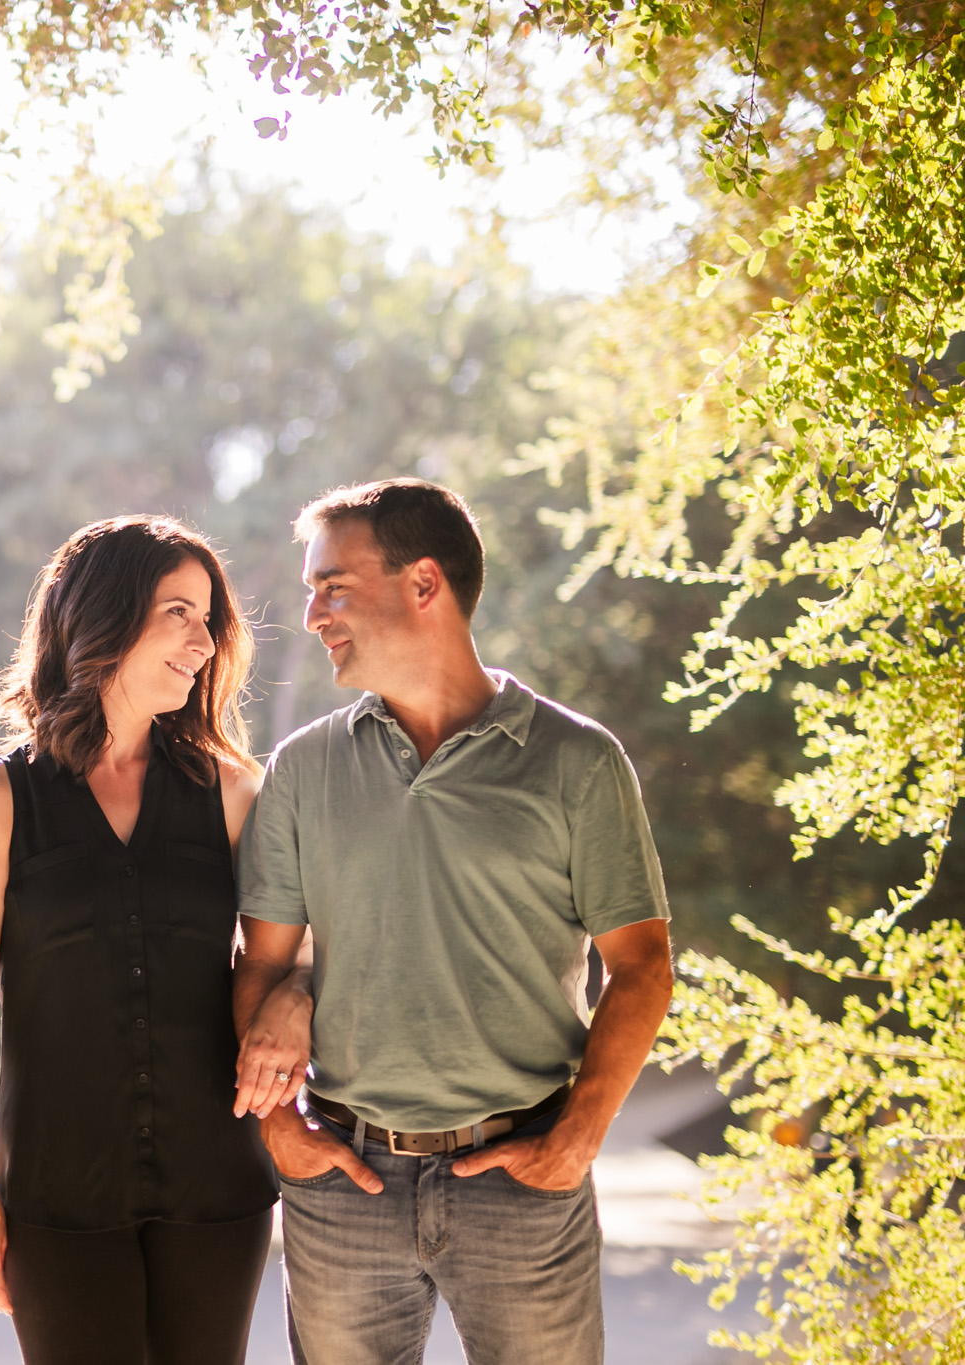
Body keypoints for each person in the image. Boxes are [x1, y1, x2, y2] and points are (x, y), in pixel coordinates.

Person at [231, 479, 675, 1365]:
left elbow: (644, 965)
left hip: (523, 1176)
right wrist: (280, 1130)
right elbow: (258, 964)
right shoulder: (303, 770)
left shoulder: (576, 762)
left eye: (333, 586)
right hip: (343, 1183)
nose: (313, 614)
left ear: (423, 583)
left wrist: (576, 1139)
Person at [0, 515, 280, 1365]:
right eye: (178, 612)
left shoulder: (235, 793)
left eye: (208, 618)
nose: (203, 641)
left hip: (217, 1184)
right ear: (104, 615)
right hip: (56, 1192)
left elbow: (285, 962)